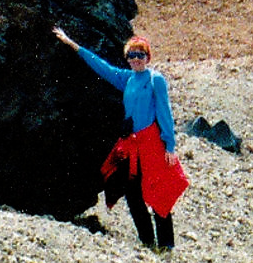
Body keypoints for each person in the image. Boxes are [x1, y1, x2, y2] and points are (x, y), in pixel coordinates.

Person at [52, 26, 188, 250]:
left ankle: (166, 246)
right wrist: (72, 44)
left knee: (158, 192)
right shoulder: (127, 79)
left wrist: (170, 146)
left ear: (148, 57)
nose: (136, 59)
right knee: (133, 194)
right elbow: (101, 67)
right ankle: (147, 242)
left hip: (152, 144)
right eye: (131, 55)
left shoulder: (156, 80)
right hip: (131, 145)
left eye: (140, 55)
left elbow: (165, 113)